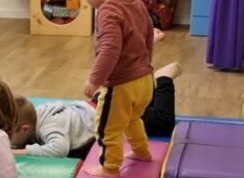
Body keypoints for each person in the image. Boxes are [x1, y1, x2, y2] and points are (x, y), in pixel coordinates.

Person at [69, 0, 155, 177]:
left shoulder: (108, 11)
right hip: (145, 80)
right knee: (132, 119)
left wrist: (95, 80)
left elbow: (109, 49)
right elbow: (148, 34)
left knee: (107, 128)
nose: (87, 0)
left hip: (121, 85)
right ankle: (141, 151)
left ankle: (110, 167)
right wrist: (147, 66)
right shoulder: (135, 1)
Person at [10, 62, 181, 158]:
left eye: (9, 135)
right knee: (138, 100)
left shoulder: (49, 127)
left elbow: (59, 149)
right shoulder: (34, 113)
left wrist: (19, 151)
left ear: (25, 129)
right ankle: (145, 82)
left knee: (162, 122)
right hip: (99, 102)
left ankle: (163, 78)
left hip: (111, 112)